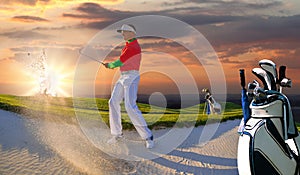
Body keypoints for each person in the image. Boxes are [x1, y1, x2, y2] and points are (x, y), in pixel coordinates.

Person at [104, 24, 154, 149]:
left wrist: (110, 65)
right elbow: (122, 61)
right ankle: (117, 135)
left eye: (124, 32)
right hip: (123, 76)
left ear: (132, 32)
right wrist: (112, 65)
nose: (122, 34)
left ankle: (148, 137)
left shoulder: (134, 47)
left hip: (132, 77)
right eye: (122, 32)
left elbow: (121, 61)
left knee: (130, 106)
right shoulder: (127, 46)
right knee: (113, 101)